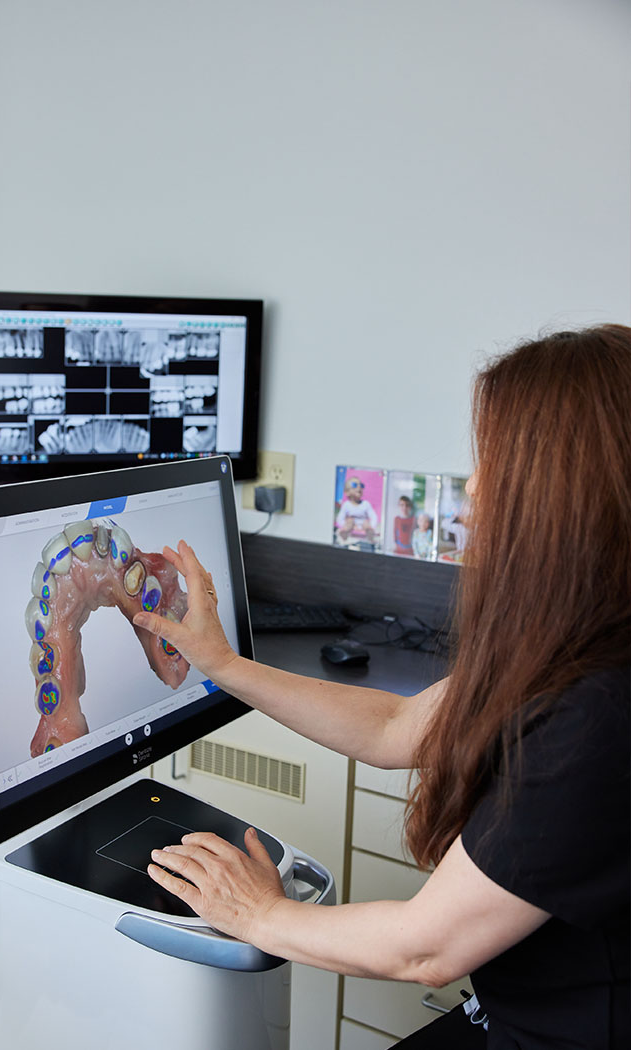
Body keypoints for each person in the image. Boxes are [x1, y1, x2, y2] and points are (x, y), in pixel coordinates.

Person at [134, 325, 631, 1049]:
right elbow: (395, 728)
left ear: (556, 503)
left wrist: (257, 914)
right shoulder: (579, 639)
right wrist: (225, 664)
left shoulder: (601, 713)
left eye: (492, 466)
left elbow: (425, 948)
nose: (474, 494)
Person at [335, 475, 379, 543]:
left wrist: (372, 526)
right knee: (350, 521)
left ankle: (371, 537)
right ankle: (344, 535)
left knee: (366, 523)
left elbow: (373, 516)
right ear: (347, 492)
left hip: (364, 525)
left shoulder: (366, 504)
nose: (359, 487)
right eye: (355, 485)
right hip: (351, 526)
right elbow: (340, 518)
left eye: (361, 485)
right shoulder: (346, 505)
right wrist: (344, 525)